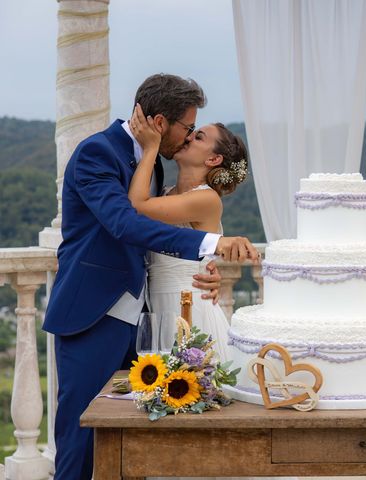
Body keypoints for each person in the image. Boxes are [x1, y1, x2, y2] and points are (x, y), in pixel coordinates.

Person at [42, 73, 259, 480]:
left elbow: (157, 237)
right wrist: (209, 246)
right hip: (94, 312)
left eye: (197, 132)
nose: (189, 135)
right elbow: (124, 223)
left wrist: (200, 270)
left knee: (135, 442)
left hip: (148, 322)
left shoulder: (154, 162)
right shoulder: (97, 153)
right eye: (188, 127)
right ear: (161, 122)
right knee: (82, 433)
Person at [127, 103, 251, 363]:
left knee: (191, 391)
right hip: (157, 308)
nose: (189, 137)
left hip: (190, 307)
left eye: (199, 136)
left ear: (213, 159)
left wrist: (151, 148)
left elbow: (136, 207)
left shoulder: (206, 199)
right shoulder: (165, 192)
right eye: (192, 131)